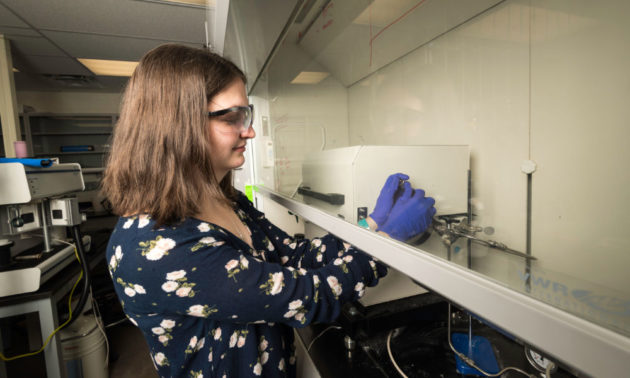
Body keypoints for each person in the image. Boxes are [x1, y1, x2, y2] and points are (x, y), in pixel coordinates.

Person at [101, 43, 436, 378]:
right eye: (232, 117)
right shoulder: (157, 246)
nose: (250, 131)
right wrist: (388, 242)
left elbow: (293, 256)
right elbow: (307, 297)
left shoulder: (225, 200)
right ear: (177, 125)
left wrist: (372, 224)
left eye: (246, 115)